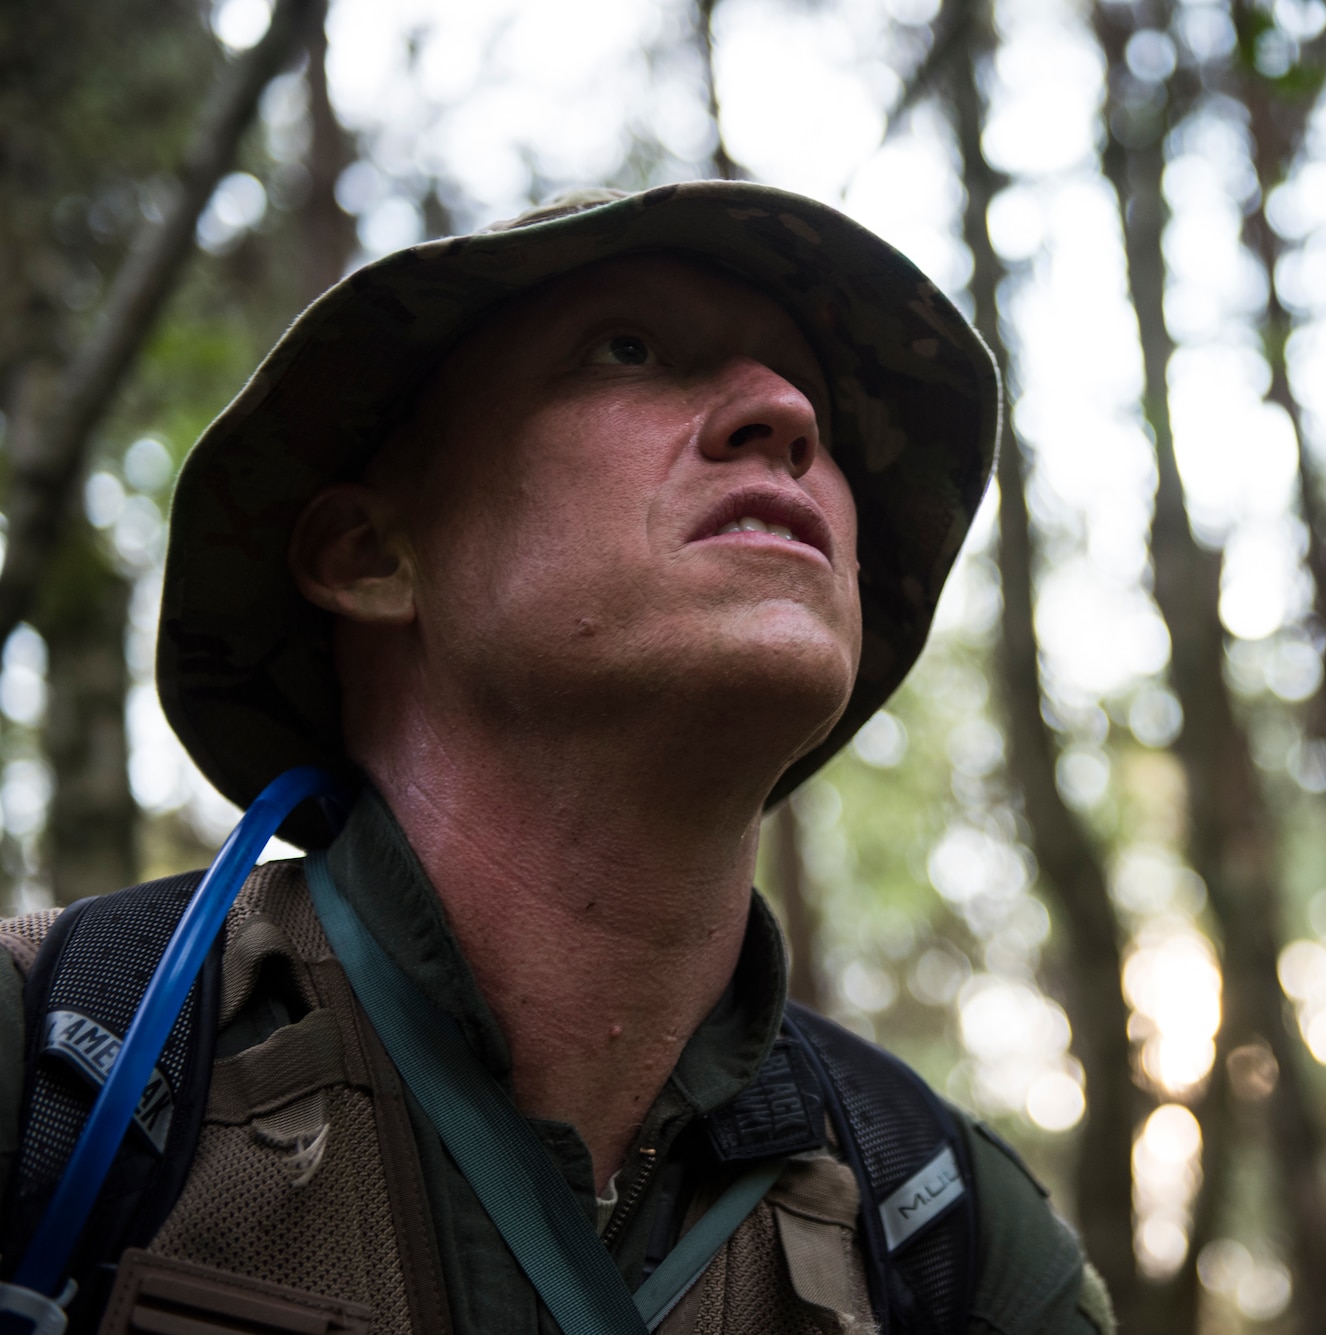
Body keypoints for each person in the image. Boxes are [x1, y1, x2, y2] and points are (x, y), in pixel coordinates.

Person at [0, 184, 1115, 1335]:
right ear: (370, 553)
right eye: (626, 350)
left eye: (813, 398)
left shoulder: (938, 1224)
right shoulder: (58, 1061)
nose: (785, 414)